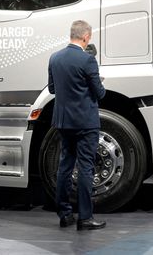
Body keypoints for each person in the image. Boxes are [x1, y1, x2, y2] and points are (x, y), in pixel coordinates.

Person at [48, 20, 107, 231]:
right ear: (86, 37)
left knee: (64, 167)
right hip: (85, 122)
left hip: (64, 122)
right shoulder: (88, 60)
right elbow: (100, 93)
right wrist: (100, 81)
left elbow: (53, 89)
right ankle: (85, 218)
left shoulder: (54, 58)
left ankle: (64, 215)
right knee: (85, 168)